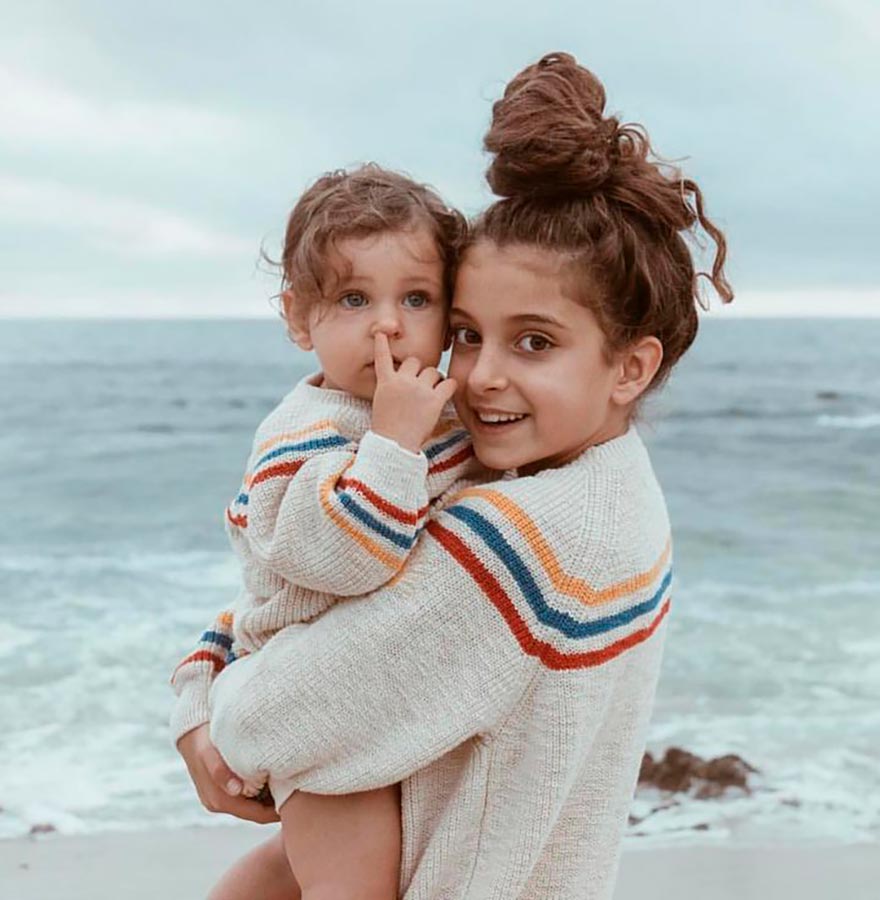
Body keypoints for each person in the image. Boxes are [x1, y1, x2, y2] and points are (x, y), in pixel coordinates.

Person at [177, 52, 732, 899]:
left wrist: (197, 697)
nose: (478, 378)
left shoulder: (521, 546)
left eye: (535, 342)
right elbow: (330, 588)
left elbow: (263, 727)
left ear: (630, 366)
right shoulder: (611, 487)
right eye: (468, 333)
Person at [171, 164, 487, 899]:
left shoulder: (426, 412)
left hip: (370, 698)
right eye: (354, 299)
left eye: (417, 299)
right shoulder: (304, 435)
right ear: (298, 317)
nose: (389, 324)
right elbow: (345, 560)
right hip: (313, 715)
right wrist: (392, 445)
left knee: (287, 871)